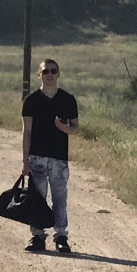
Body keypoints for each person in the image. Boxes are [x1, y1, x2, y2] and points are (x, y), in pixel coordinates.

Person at [21, 57, 79, 254]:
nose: (50, 75)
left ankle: (61, 236)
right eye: (46, 71)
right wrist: (25, 160)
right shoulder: (31, 101)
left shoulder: (68, 99)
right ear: (39, 74)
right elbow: (26, 132)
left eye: (53, 71)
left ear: (58, 74)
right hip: (37, 156)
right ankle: (38, 235)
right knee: (38, 197)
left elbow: (76, 128)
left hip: (59, 157)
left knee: (59, 197)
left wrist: (65, 128)